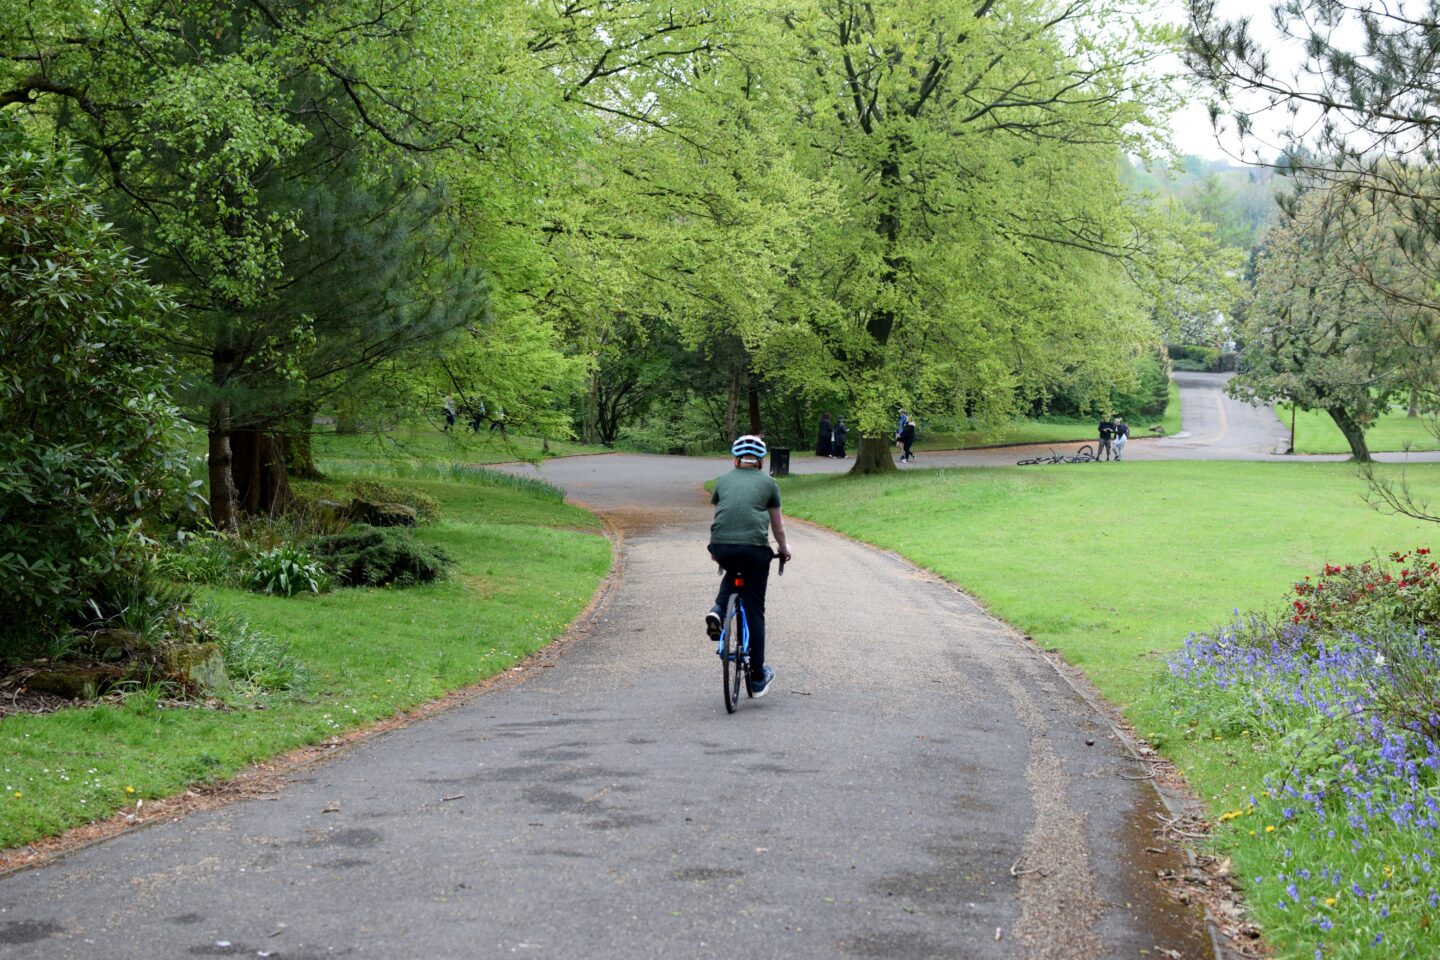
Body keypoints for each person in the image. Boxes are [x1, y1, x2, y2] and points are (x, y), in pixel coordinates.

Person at [705, 435, 792, 698]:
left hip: (721, 545)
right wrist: (784, 549)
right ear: (761, 461)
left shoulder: (723, 481)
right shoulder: (769, 483)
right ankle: (756, 677)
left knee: (732, 569)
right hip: (754, 550)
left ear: (736, 459)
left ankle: (719, 609)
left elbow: (722, 515)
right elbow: (777, 525)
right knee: (755, 609)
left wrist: (718, 547)